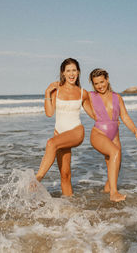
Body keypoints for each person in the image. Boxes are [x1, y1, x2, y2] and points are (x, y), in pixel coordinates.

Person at [35, 58, 94, 196]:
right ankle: (69, 205)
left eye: (74, 70)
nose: (71, 74)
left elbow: (94, 114)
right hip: (60, 135)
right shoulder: (57, 91)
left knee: (51, 143)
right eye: (68, 71)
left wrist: (112, 118)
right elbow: (49, 113)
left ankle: (37, 179)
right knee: (65, 175)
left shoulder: (82, 93)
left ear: (78, 72)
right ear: (63, 73)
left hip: (76, 132)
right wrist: (47, 92)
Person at [89, 68, 137, 202]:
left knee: (115, 166)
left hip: (114, 136)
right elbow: (73, 94)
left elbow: (124, 116)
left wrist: (135, 131)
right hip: (98, 133)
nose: (100, 86)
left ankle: (107, 191)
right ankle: (114, 193)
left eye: (102, 82)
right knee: (115, 152)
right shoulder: (90, 96)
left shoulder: (117, 97)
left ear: (107, 80)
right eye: (96, 83)